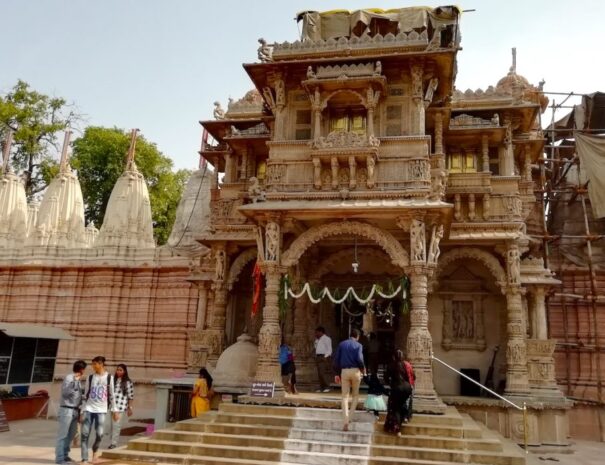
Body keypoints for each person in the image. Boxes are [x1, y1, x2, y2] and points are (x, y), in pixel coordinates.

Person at [81, 356, 115, 464]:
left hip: (101, 410)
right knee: (85, 434)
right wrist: (82, 410)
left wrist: (115, 410)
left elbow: (112, 395)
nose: (93, 366)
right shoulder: (90, 377)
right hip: (89, 409)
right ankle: (84, 458)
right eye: (92, 364)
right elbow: (85, 394)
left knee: (100, 434)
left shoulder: (109, 377)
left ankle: (95, 450)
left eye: (94, 364)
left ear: (101, 364)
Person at [332, 328, 366, 431]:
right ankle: (349, 418)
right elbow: (360, 359)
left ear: (350, 335)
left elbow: (336, 360)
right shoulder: (359, 345)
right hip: (355, 371)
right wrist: (362, 368)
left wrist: (337, 374)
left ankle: (345, 420)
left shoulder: (342, 344)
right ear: (358, 336)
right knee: (355, 395)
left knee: (344, 397)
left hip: (344, 371)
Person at [55, 359, 87, 464]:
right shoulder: (70, 378)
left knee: (71, 434)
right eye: (84, 369)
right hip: (66, 409)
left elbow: (76, 395)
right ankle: (59, 459)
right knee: (63, 435)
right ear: (81, 369)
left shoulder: (78, 380)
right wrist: (74, 382)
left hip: (75, 410)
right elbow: (65, 393)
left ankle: (65, 455)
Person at [383, 350, 413, 436]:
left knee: (395, 407)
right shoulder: (406, 365)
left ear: (393, 357)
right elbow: (412, 376)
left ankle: (397, 428)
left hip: (397, 388)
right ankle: (405, 418)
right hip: (407, 388)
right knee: (402, 404)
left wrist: (390, 384)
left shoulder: (391, 365)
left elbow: (386, 378)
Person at [108, 364, 134, 449]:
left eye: (120, 370)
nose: (118, 371)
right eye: (117, 370)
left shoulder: (128, 382)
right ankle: (111, 441)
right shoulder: (113, 380)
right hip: (111, 406)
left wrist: (130, 408)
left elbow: (130, 396)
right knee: (109, 425)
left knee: (116, 425)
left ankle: (114, 443)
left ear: (124, 371)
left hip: (120, 407)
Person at [314, 326, 332, 393]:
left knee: (323, 373)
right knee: (319, 373)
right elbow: (316, 347)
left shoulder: (327, 339)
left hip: (323, 356)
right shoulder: (318, 339)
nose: (316, 334)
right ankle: (322, 387)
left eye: (317, 332)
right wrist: (316, 341)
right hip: (318, 356)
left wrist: (325, 357)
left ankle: (327, 386)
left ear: (321, 332)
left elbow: (329, 349)